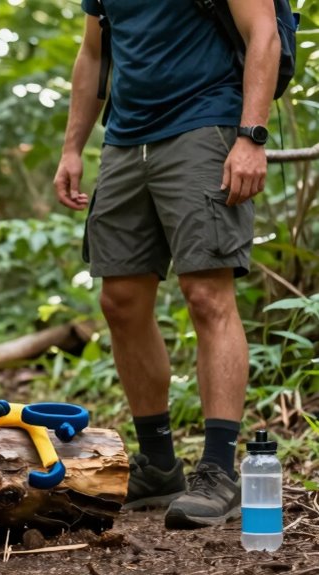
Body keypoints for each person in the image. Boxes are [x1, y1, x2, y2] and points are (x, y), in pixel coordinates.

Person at [53, 0, 279, 529]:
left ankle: (220, 470)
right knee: (121, 301)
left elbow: (263, 28)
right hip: (127, 136)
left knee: (207, 294)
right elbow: (92, 53)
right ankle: (157, 464)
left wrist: (252, 136)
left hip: (207, 124)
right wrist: (72, 148)